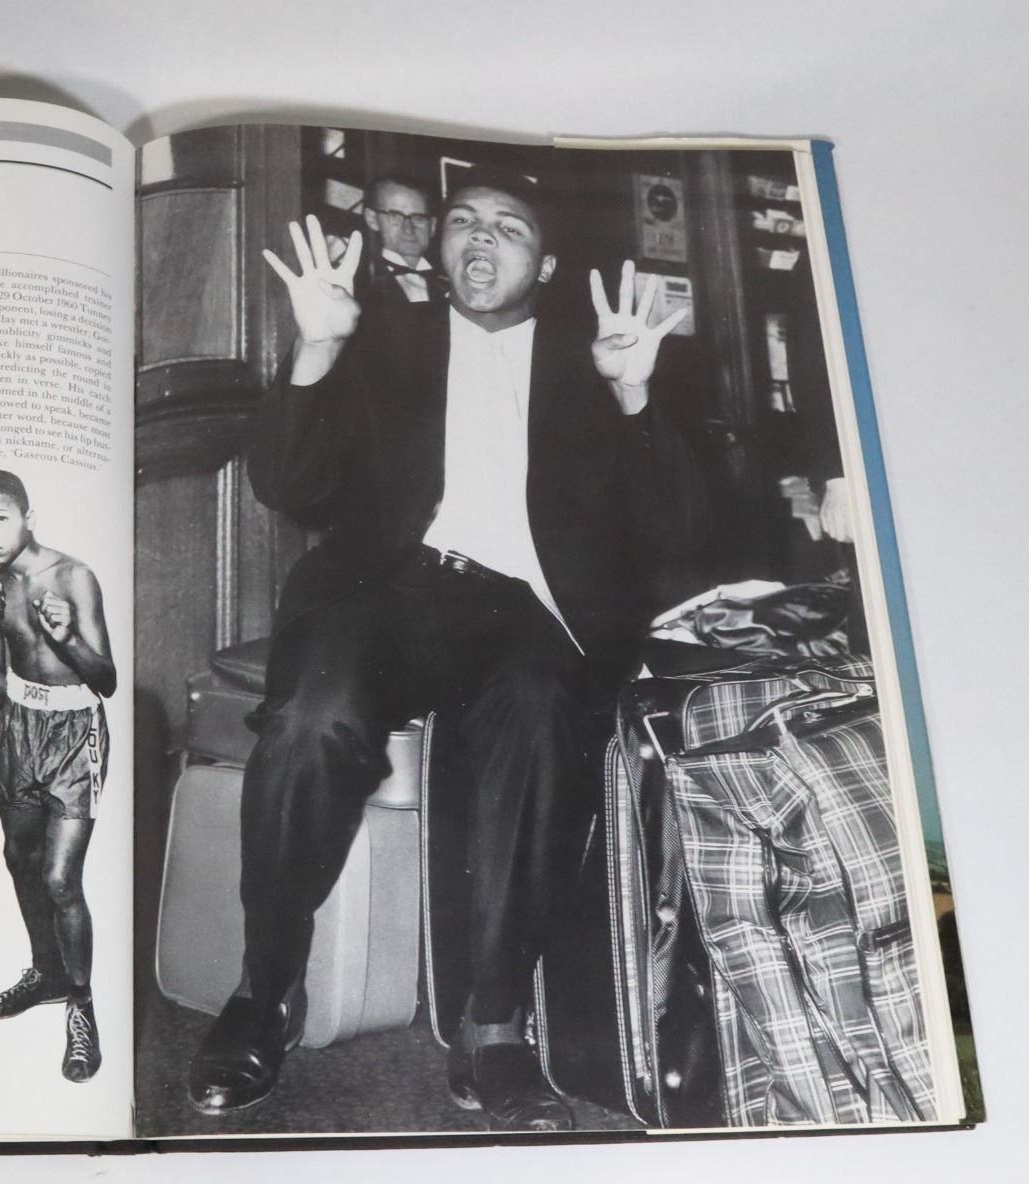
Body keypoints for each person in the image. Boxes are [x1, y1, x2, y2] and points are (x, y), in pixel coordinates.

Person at [186, 166, 694, 1128]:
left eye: (509, 227)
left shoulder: (596, 363)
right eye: (464, 221)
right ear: (439, 245)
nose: (481, 238)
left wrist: (634, 396)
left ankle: (493, 1022)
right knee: (311, 720)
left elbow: (675, 532)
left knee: (543, 716)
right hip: (386, 591)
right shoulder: (386, 340)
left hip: (530, 611)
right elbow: (287, 486)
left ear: (547, 264)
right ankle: (264, 989)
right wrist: (316, 348)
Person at [0, 469, 116, 1083]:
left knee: (59, 878)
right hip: (17, 728)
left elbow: (106, 680)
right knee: (19, 858)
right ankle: (46, 973)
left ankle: (81, 1005)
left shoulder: (73, 576)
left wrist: (67, 638)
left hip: (75, 733)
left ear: (27, 516)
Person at [355, 175, 438, 307]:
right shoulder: (360, 286)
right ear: (372, 219)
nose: (408, 229)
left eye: (418, 218)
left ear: (432, 226)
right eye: (395, 216)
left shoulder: (451, 284)